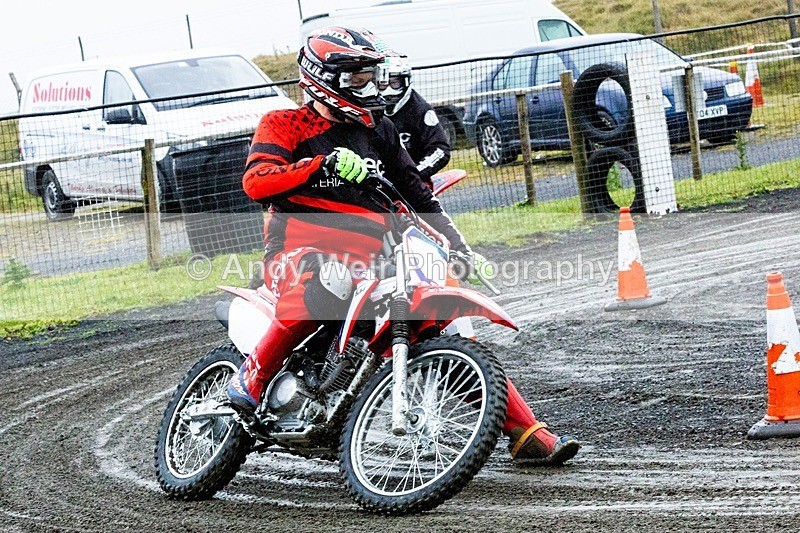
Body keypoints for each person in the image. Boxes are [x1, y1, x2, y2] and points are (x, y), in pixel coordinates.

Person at [227, 27, 578, 465]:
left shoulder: (381, 129)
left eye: (373, 74)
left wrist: (460, 250)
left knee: (433, 319)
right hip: (299, 250)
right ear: (324, 78)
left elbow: (419, 194)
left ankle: (524, 432)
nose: (371, 85)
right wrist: (321, 165)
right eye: (358, 77)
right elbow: (256, 181)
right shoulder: (284, 123)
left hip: (375, 255)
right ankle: (252, 380)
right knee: (326, 283)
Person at [378, 51, 450, 189]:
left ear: (405, 81)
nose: (388, 91)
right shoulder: (365, 108)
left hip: (414, 180)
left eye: (394, 83)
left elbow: (440, 149)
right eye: (382, 84)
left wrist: (414, 174)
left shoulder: (420, 108)